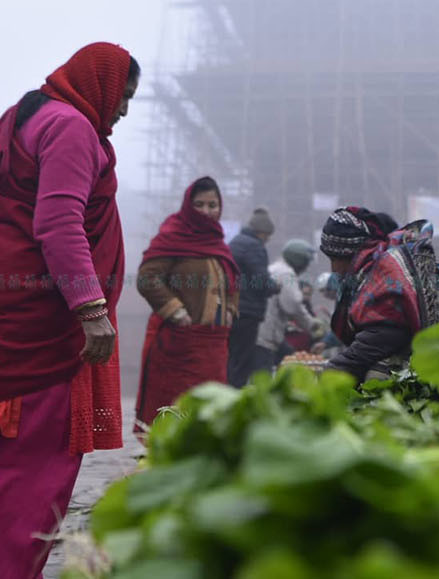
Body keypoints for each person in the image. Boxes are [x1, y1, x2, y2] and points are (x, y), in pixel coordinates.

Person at [0, 42, 138, 578]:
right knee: (26, 471)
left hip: (4, 304)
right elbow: (57, 223)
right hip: (41, 322)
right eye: (124, 95)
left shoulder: (27, 116)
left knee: (2, 469)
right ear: (102, 83)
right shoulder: (71, 127)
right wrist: (91, 310)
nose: (123, 110)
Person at [321, 207, 439, 382]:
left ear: (352, 253)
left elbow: (386, 334)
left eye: (335, 259)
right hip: (422, 349)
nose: (334, 269)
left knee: (377, 375)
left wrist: (335, 368)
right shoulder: (366, 273)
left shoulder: (385, 269)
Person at [134, 176, 240, 432]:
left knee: (211, 408)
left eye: (212, 205)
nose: (207, 211)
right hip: (179, 342)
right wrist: (175, 311)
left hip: (213, 344)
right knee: (176, 408)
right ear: (188, 205)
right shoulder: (174, 234)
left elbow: (232, 280)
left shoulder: (217, 242)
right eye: (199, 205)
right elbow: (148, 278)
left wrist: (229, 310)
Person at [255, 240, 326, 371]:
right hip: (266, 334)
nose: (305, 268)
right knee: (262, 377)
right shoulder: (286, 274)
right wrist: (312, 325)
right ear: (299, 260)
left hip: (259, 331)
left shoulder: (274, 268)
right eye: (305, 263)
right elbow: (293, 305)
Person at [227, 207, 277, 387]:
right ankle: (233, 400)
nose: (268, 239)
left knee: (232, 359)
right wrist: (274, 287)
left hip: (232, 308)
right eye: (267, 235)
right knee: (242, 362)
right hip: (247, 311)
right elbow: (261, 280)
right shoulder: (254, 246)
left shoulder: (236, 242)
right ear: (261, 232)